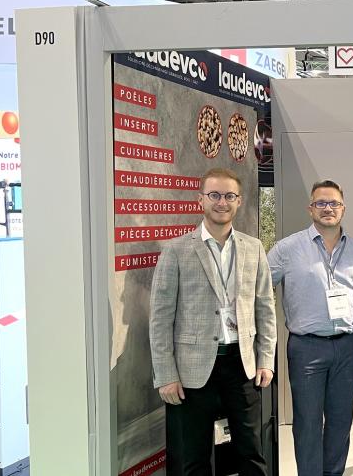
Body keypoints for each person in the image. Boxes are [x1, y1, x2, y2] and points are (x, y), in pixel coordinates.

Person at [149, 167, 276, 476]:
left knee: (252, 454)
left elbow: (265, 307)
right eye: (215, 195)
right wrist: (165, 374)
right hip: (192, 370)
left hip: (242, 364)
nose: (222, 202)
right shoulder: (176, 250)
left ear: (239, 201)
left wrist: (266, 359)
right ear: (201, 200)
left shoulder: (253, 248)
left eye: (229, 196)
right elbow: (160, 318)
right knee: (192, 459)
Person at [267, 180, 353, 476]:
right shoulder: (287, 249)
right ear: (310, 209)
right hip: (306, 347)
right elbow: (259, 290)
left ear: (343, 209)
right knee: (307, 422)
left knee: (340, 420)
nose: (328, 208)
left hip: (348, 344)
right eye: (321, 203)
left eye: (334, 203)